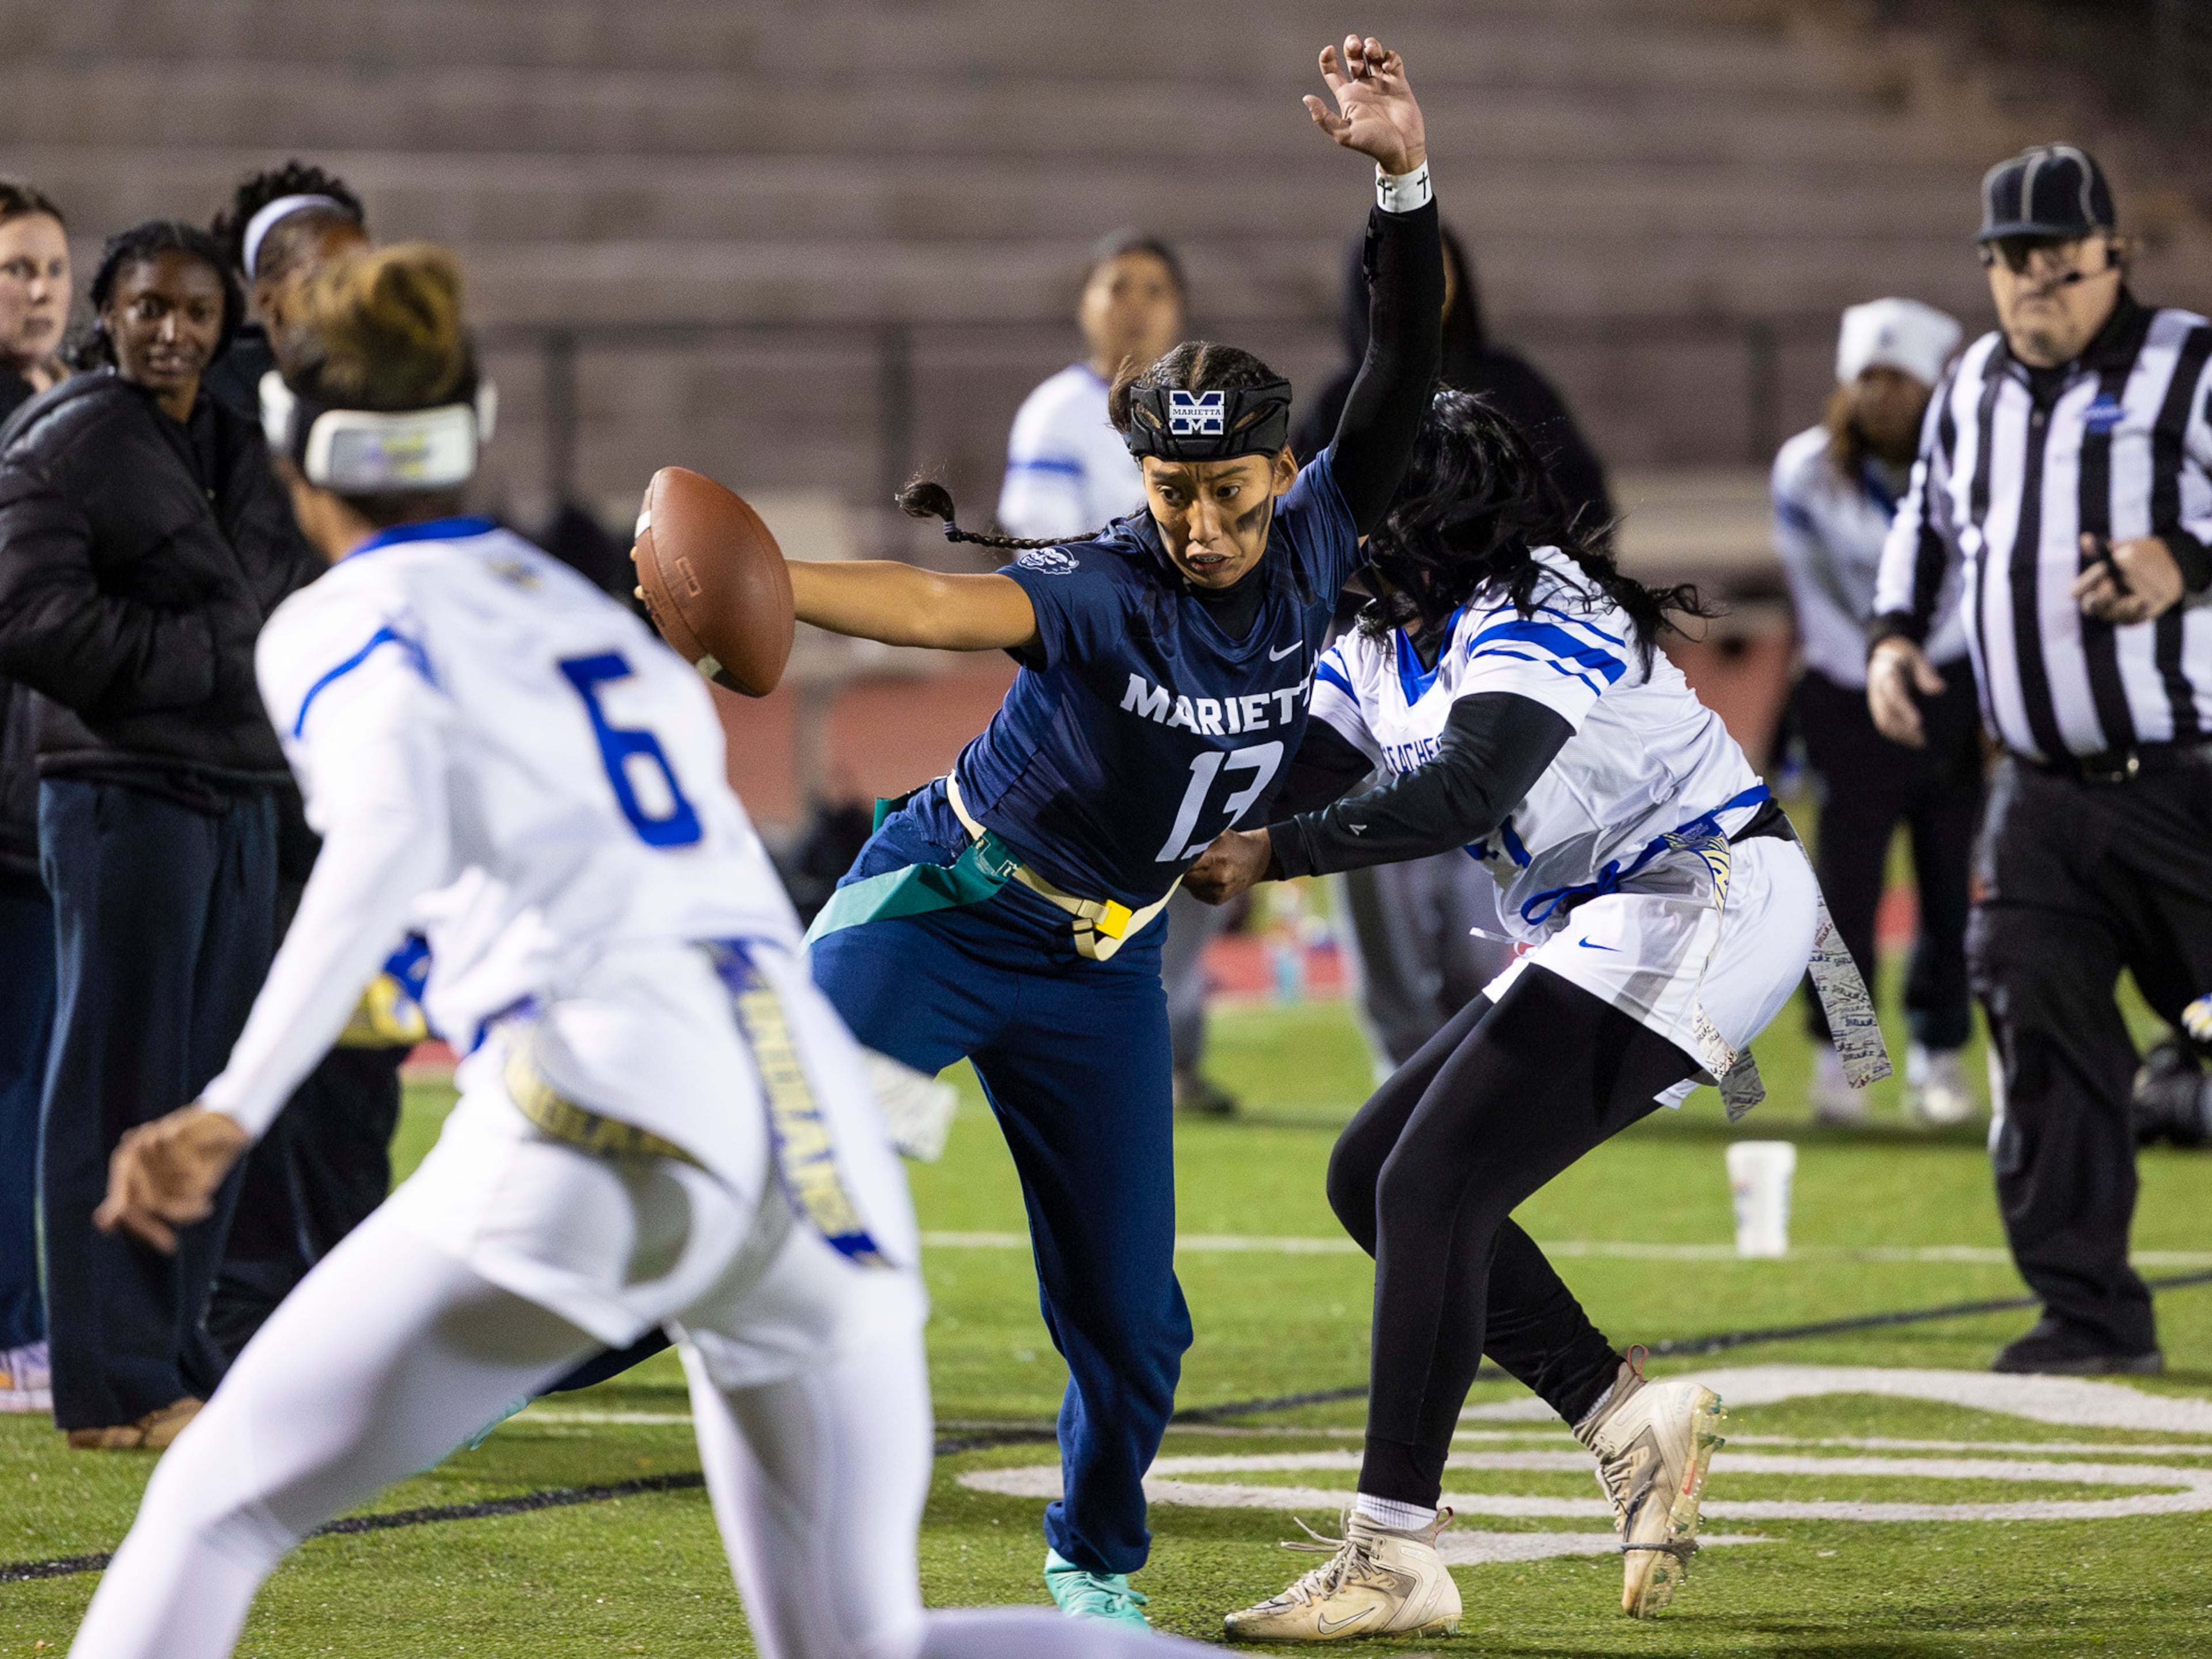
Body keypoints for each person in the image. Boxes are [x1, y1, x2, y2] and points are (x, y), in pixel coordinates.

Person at [65, 238, 1213, 1659]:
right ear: (473, 432)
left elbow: (383, 843)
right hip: (812, 1135)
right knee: (867, 1645)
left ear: (296, 447)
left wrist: (231, 1104)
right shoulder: (577, 609)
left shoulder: (337, 621)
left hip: (604, 1112)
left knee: (215, 1508)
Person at [793, 35, 1441, 1624]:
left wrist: (1402, 178)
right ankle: (540, 1319)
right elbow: (947, 607)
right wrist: (765, 579)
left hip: (1101, 969)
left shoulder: (1321, 535)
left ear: (1290, 472)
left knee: (1135, 1328)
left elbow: (1406, 357)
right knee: (771, 1183)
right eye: (1171, 490)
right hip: (949, 908)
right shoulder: (1103, 580)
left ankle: (1092, 1569)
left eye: (1228, 489)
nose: (1201, 523)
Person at [1189, 389, 1853, 1637]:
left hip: (1703, 889)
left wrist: (1270, 856)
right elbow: (1301, 766)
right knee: (1369, 1173)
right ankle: (1625, 1419)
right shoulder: (1386, 624)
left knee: (1432, 1183)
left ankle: (1393, 1553)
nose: (1341, 525)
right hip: (1606, 910)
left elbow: (1463, 791)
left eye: (1374, 499)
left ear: (1437, 516)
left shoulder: (1539, 599)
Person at [1869, 145, 2212, 1377]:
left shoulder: (2192, 366)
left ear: (2114, 257)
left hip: (2187, 778)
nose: (2036, 294)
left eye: (2060, 270)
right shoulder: (1969, 384)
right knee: (2042, 1033)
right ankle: (2091, 1314)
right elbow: (1929, 519)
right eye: (2013, 269)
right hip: (2039, 798)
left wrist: (2186, 558)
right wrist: (1895, 637)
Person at [0, 220, 313, 1448]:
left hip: (237, 789)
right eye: (147, 309)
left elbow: (292, 592)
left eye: (193, 311)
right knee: (116, 1084)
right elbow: (26, 615)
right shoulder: (65, 437)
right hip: (117, 791)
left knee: (210, 1084)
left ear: (223, 323)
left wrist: (231, 667)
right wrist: (203, 661)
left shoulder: (247, 443)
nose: (170, 330)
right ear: (109, 314)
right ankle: (109, 1383)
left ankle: (179, 1355)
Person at [1293, 217, 1611, 1072]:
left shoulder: (1513, 391)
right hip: (1391, 667)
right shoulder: (1336, 410)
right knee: (1378, 875)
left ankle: (1487, 1053)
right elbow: (1304, 552)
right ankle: (1415, 1058)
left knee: (1489, 868)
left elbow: (1585, 511)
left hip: (1507, 683)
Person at [995, 232, 1237, 1112]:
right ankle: (1106, 1063)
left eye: (1155, 288)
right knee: (1103, 879)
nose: (1135, 303)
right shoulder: (1057, 415)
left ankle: (1165, 1060)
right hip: (1104, 688)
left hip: (1204, 687)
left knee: (1197, 878)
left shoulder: (1206, 412)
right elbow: (1047, 555)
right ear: (1086, 302)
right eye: (1117, 285)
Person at [1774, 297, 1975, 1127]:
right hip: (1846, 693)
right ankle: (1844, 1059)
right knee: (1844, 889)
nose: (1885, 395)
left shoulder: (1973, 464)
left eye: (1901, 378)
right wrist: (1869, 669)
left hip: (1948, 685)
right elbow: (1814, 598)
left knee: (1949, 884)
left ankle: (1941, 1057)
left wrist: (1921, 663)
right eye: (1870, 377)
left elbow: (1973, 585)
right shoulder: (1804, 470)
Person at [0, 177, 71, 1415]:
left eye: (53, 266)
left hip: (48, 791)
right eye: (15, 268)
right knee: (20, 1077)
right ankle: (16, 1328)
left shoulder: (69, 406)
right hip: (15, 804)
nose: (40, 288)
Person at [201, 162, 371, 423]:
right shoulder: (209, 396)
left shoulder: (401, 378)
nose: (350, 300)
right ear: (267, 298)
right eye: (323, 283)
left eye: (362, 279)